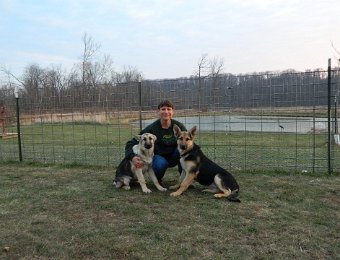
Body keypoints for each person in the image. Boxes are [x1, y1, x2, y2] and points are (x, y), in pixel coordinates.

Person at [125, 100, 187, 182]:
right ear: (158, 111)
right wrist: (132, 157)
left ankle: (184, 179)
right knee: (159, 164)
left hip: (175, 156)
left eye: (169, 109)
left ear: (173, 111)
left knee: (183, 149)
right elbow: (131, 143)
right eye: (163, 109)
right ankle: (158, 179)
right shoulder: (152, 128)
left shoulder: (178, 126)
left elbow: (188, 142)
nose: (166, 112)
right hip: (159, 158)